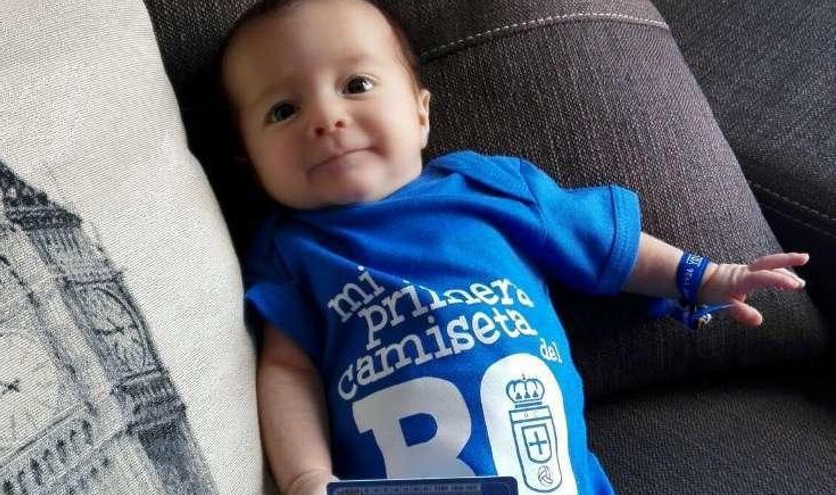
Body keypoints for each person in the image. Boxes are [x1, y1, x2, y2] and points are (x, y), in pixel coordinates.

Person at [219, 0, 810, 494]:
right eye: (283, 110)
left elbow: (609, 246)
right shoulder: (291, 252)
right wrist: (304, 477)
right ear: (251, 163)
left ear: (420, 114)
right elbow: (288, 370)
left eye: (357, 85)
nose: (325, 119)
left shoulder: (489, 187)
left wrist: (705, 276)